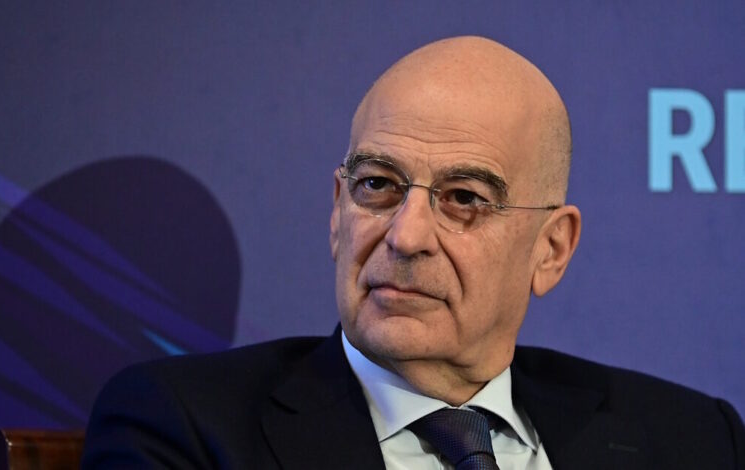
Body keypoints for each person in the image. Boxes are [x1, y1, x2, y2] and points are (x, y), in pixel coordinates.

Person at [82, 36, 744, 469]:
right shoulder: (183, 428)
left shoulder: (692, 440)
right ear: (337, 212)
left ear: (551, 249)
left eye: (464, 198)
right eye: (378, 186)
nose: (405, 236)